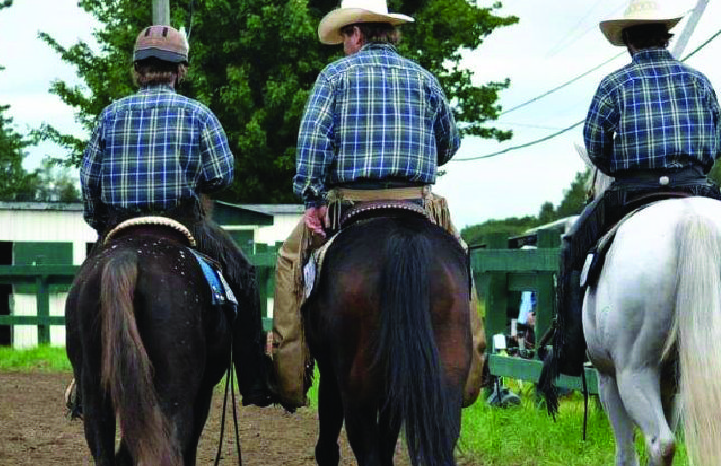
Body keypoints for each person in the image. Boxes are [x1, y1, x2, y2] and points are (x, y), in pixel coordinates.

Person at [270, 0, 486, 409]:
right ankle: (472, 374)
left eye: (344, 38)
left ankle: (289, 376)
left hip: (351, 203)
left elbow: (313, 144)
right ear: (390, 32)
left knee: (289, 261)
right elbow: (450, 143)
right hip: (418, 203)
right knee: (459, 259)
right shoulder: (423, 77)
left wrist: (312, 199)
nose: (343, 46)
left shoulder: (334, 77)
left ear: (355, 33)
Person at [71, 25, 276, 414]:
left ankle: (84, 387)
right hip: (183, 223)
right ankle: (254, 379)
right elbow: (222, 175)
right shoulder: (198, 114)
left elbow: (89, 178)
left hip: (120, 228)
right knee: (244, 276)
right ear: (180, 70)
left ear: (137, 70)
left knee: (84, 290)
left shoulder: (110, 115)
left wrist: (99, 223)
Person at [544, 0, 721, 378]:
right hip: (694, 186)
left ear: (628, 41)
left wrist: (620, 166)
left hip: (632, 190)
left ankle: (569, 347)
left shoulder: (614, 84)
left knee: (572, 247)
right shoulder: (698, 80)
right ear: (666, 35)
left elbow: (595, 146)